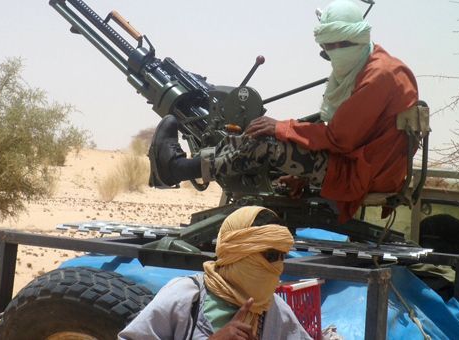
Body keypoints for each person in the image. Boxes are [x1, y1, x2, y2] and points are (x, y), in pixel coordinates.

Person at [149, 0, 419, 223]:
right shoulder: (377, 65)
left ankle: (178, 169)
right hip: (363, 166)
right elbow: (351, 136)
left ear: (343, 42)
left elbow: (340, 138)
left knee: (264, 144)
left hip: (362, 174)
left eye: (328, 49)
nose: (327, 55)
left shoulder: (380, 76)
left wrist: (281, 127)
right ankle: (184, 167)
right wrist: (302, 169)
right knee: (262, 136)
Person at [118, 206, 312, 339]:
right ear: (236, 254)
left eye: (282, 256)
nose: (277, 266)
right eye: (270, 256)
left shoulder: (274, 309)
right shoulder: (186, 297)